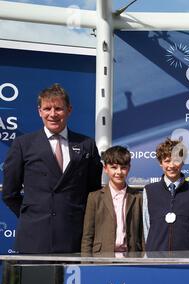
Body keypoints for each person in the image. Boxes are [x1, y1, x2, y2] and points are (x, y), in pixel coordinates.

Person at [2, 83, 102, 254]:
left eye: (58, 108)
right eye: (47, 108)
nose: (53, 114)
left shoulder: (86, 144)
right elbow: (10, 193)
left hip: (74, 237)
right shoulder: (23, 144)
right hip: (34, 238)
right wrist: (32, 216)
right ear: (39, 111)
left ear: (69, 110)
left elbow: (93, 192)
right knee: (35, 282)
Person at [81, 146, 143, 255]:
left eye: (123, 167)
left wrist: (144, 260)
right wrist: (87, 265)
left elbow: (142, 234)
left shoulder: (138, 197)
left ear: (129, 168)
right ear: (105, 168)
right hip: (102, 258)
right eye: (114, 167)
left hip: (132, 258)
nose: (119, 172)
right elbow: (87, 236)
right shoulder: (94, 197)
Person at [143, 138, 189, 251]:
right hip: (156, 254)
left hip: (186, 254)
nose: (172, 165)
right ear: (160, 163)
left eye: (176, 160)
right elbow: (146, 226)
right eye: (167, 161)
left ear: (183, 162)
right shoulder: (149, 190)